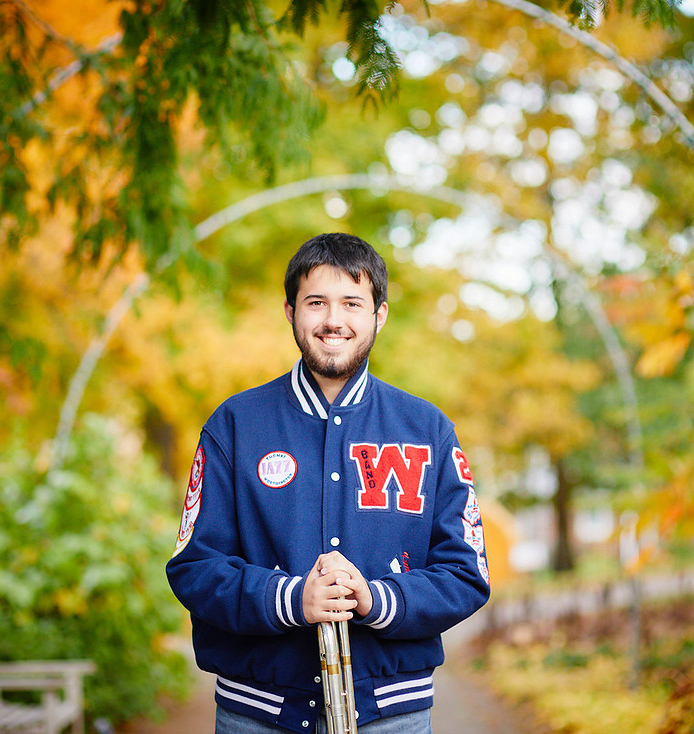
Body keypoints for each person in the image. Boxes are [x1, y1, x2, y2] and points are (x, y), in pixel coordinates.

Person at [166, 232, 490, 733]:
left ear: (379, 315)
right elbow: (195, 568)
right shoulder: (234, 424)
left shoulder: (428, 431)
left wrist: (377, 599)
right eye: (316, 302)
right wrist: (292, 599)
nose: (333, 320)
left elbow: (467, 574)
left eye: (352, 303)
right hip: (257, 713)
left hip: (392, 714)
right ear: (290, 311)